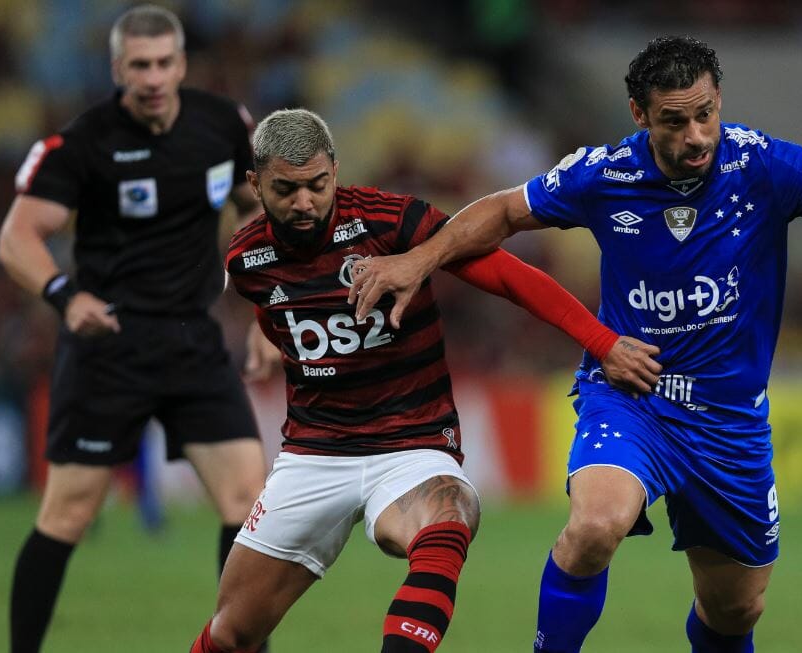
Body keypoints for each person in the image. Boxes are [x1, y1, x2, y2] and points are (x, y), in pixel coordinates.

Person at [348, 35, 802, 653]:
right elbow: (501, 211)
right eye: (675, 120)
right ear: (639, 114)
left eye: (705, 112)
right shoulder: (603, 174)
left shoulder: (767, 166)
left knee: (735, 609)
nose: (697, 133)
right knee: (596, 525)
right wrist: (420, 259)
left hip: (731, 422)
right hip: (633, 398)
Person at [188, 108, 659, 653]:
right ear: (255, 184)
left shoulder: (390, 223)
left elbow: (508, 275)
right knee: (232, 632)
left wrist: (601, 343)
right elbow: (279, 304)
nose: (304, 202)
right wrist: (261, 333)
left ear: (335, 172)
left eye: (317, 185)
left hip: (412, 444)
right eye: (286, 189)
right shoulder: (247, 259)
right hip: (313, 453)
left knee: (451, 512)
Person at [0, 6, 269, 652]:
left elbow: (258, 212)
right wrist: (64, 295)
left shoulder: (222, 126)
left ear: (182, 65)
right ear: (118, 69)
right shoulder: (84, 142)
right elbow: (16, 237)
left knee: (249, 505)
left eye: (164, 63)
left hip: (193, 338)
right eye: (139, 65)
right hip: (107, 346)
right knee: (66, 514)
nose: (152, 77)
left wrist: (267, 314)